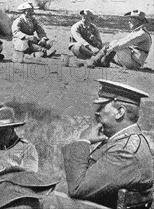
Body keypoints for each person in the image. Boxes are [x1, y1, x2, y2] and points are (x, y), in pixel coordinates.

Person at [62, 79, 153, 208]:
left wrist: (83, 141)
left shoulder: (124, 151)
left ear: (119, 112)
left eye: (102, 106)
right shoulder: (129, 141)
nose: (97, 112)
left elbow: (77, 188)